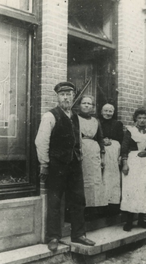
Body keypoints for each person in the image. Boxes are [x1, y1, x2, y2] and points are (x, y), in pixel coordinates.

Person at [35, 82, 95, 251]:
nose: (66, 97)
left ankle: (79, 234)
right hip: (57, 165)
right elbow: (41, 142)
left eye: (69, 94)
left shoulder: (75, 116)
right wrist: (44, 164)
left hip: (75, 165)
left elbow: (78, 140)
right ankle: (53, 236)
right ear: (58, 97)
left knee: (78, 200)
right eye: (63, 95)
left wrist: (79, 155)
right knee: (55, 202)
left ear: (73, 97)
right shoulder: (50, 116)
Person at [120, 107, 146, 231]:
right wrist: (125, 164)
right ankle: (128, 221)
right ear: (135, 119)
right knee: (131, 190)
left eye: (144, 118)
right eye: (139, 118)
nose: (142, 120)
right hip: (133, 162)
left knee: (145, 189)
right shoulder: (130, 131)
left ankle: (141, 220)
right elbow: (124, 148)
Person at [77, 95, 106, 208]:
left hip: (94, 153)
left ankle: (94, 206)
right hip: (81, 151)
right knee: (84, 179)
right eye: (84, 103)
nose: (86, 105)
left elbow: (100, 138)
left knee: (95, 180)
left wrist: (102, 155)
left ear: (92, 107)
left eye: (89, 104)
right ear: (79, 105)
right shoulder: (75, 118)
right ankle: (83, 207)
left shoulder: (95, 121)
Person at [100, 104, 124, 213]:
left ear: (113, 112)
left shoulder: (118, 124)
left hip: (114, 153)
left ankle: (113, 205)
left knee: (113, 177)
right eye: (105, 111)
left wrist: (120, 155)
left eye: (110, 111)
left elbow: (122, 140)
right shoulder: (97, 122)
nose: (108, 113)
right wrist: (102, 141)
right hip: (101, 152)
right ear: (101, 111)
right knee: (102, 177)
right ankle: (102, 205)